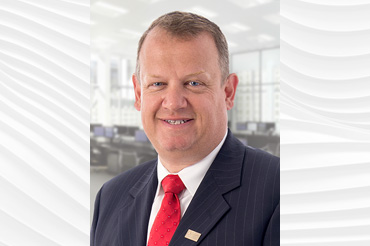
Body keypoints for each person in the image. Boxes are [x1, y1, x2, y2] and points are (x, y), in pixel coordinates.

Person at [91, 11, 279, 246]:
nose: (173, 103)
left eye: (194, 83)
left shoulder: (278, 190)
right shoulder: (110, 196)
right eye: (157, 84)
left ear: (228, 92)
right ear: (139, 94)